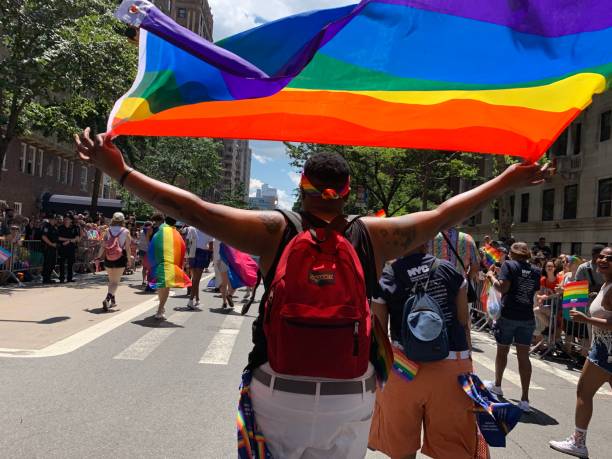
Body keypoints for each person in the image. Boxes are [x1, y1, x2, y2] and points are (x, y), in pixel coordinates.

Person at [75, 128, 550, 458]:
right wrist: (507, 180)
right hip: (351, 392)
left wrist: (120, 171)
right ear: (346, 193)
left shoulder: (272, 231)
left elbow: (192, 209)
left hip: (278, 389)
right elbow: (445, 213)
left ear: (302, 189)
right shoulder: (375, 236)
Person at [369, 245, 474, 458]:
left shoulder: (388, 275)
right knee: (452, 447)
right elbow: (463, 321)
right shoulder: (449, 269)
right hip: (451, 364)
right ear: (426, 243)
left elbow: (378, 331)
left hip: (404, 366)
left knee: (402, 447)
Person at [549, 246, 612, 459]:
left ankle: (578, 443)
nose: (602, 260)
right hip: (604, 349)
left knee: (583, 392)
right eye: (601, 256)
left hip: (605, 351)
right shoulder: (607, 283)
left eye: (609, 258)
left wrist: (586, 319)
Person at [485, 242, 541, 412]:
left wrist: (491, 277)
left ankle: (498, 385)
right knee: (524, 357)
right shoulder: (536, 270)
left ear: (512, 253)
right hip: (527, 317)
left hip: (509, 315)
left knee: (502, 351)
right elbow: (533, 292)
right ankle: (524, 399)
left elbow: (502, 288)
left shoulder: (509, 265)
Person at [148, 216, 192, 320]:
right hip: (170, 264)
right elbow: (182, 247)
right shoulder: (176, 234)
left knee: (161, 286)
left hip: (160, 263)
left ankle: (160, 308)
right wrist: (179, 264)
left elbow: (152, 247)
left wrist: (152, 263)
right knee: (165, 286)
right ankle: (161, 308)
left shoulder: (159, 232)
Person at [98, 212, 131, 311]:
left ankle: (113, 301)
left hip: (108, 257)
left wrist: (98, 257)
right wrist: (129, 260)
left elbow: (103, 245)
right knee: (115, 282)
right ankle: (107, 299)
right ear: (122, 220)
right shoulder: (126, 231)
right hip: (120, 258)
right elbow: (127, 248)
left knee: (111, 281)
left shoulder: (107, 230)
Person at [185, 225, 212, 310]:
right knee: (197, 279)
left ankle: (197, 299)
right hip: (202, 253)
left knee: (194, 278)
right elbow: (211, 246)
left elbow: (188, 242)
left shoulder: (192, 227)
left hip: (192, 253)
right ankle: (191, 300)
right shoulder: (208, 229)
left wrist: (187, 257)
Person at [57, 214, 80, 283]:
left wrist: (68, 241)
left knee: (70, 264)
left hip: (71, 248)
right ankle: (61, 278)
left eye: (68, 219)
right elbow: (58, 238)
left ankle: (69, 278)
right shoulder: (60, 227)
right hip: (62, 248)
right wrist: (69, 239)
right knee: (62, 264)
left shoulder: (75, 228)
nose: (66, 220)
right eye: (65, 219)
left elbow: (77, 239)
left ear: (71, 220)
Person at [41, 215, 59, 284]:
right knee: (48, 263)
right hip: (48, 247)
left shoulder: (55, 227)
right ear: (50, 219)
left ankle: (48, 277)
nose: (55, 221)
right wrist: (51, 244)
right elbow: (43, 236)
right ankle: (46, 279)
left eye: (55, 219)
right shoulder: (46, 226)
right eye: (54, 219)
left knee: (53, 263)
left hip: (54, 248)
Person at [137, 221, 152, 286]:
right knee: (150, 267)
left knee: (144, 267)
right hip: (149, 250)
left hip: (142, 250)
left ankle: (144, 280)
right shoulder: (151, 231)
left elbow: (140, 240)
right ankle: (149, 281)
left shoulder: (141, 232)